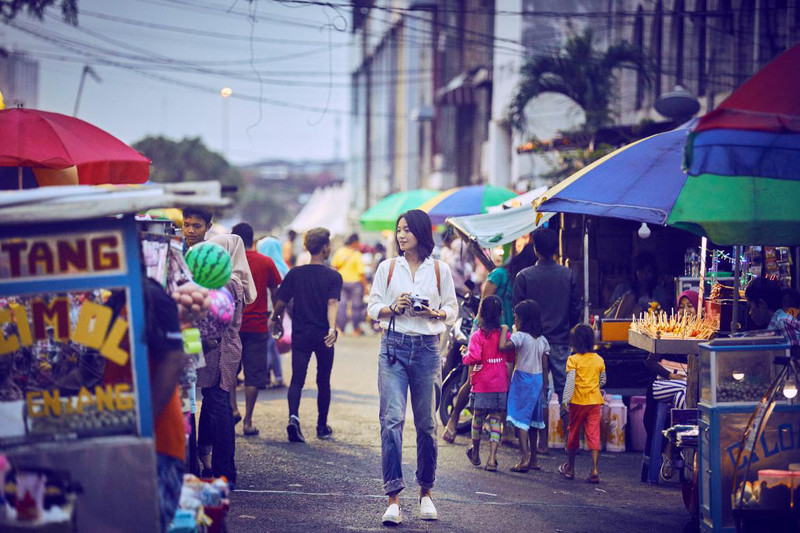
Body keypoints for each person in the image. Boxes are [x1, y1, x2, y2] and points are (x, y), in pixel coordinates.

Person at [367, 209, 457, 526]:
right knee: (391, 420)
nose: (401, 234)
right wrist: (393, 308)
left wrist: (436, 314)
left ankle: (426, 493)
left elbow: (452, 308)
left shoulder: (440, 270)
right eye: (398, 229)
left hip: (428, 350)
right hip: (393, 347)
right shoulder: (388, 268)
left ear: (421, 232)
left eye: (407, 229)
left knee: (426, 426)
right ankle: (392, 498)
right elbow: (372, 307)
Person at [441, 239, 539, 445]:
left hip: (507, 335)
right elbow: (483, 306)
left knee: (506, 382)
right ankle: (453, 420)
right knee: (472, 381)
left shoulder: (522, 280)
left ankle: (506, 431)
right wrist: (482, 336)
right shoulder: (500, 274)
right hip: (485, 332)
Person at [270, 228, 343, 443]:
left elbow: (280, 303)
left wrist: (276, 320)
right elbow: (332, 303)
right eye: (328, 244)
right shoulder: (333, 276)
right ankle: (321, 427)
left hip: (301, 334)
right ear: (324, 247)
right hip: (323, 336)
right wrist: (332, 329)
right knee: (323, 381)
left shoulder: (295, 274)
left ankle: (294, 419)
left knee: (297, 380)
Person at [196, 234, 256, 488]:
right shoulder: (233, 281)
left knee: (218, 408)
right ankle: (205, 460)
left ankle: (225, 471)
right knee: (211, 405)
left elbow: (215, 321)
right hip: (225, 350)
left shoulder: (227, 283)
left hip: (218, 352)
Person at [512, 227, 581, 438]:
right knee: (565, 391)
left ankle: (540, 443)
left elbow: (518, 312)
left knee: (536, 392)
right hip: (560, 341)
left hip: (532, 343)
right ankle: (571, 438)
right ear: (556, 248)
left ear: (535, 249)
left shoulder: (524, 276)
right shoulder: (569, 275)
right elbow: (575, 310)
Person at [142, 278, 188, 532]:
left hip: (158, 444)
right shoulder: (116, 299)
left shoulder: (152, 297)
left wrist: (143, 424)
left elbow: (174, 360)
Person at [231, 223, 282, 436]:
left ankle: (233, 410)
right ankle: (248, 422)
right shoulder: (266, 261)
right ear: (253, 240)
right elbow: (276, 291)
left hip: (231, 326)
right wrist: (276, 317)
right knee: (254, 376)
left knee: (230, 372)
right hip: (258, 326)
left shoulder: (228, 263)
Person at [461, 295, 513, 472]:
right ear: (500, 314)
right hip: (500, 383)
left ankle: (475, 453)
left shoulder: (478, 336)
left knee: (478, 419)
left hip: (482, 384)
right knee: (496, 420)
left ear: (481, 313)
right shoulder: (505, 335)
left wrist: (465, 356)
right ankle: (492, 458)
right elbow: (511, 355)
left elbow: (474, 357)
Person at [499, 299, 549, 473]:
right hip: (537, 381)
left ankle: (524, 458)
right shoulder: (542, 340)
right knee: (533, 421)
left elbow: (503, 347)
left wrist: (505, 329)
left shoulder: (520, 337)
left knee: (520, 419)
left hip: (522, 380)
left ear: (523, 319)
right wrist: (545, 386)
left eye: (516, 317)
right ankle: (533, 458)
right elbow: (545, 366)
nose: (515, 320)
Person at [559, 324, 606, 483]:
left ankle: (570, 468)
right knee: (593, 433)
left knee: (573, 433)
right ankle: (594, 469)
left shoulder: (573, 360)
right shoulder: (599, 359)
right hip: (594, 402)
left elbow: (570, 382)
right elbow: (603, 380)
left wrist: (566, 400)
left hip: (578, 403)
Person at [256, 235, 290, 386]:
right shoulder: (284, 269)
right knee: (272, 345)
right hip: (279, 312)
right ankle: (277, 376)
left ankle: (264, 377)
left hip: (266, 311)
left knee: (267, 345)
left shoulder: (262, 266)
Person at [606, 252, 673, 318]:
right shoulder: (622, 289)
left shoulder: (660, 292)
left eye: (648, 271)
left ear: (654, 273)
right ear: (635, 272)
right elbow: (610, 313)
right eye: (641, 271)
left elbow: (666, 314)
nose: (644, 275)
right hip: (618, 326)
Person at [745, 277, 800, 346]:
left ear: (761, 304)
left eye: (750, 307)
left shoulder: (783, 322)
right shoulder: (777, 323)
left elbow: (794, 353)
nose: (750, 312)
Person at [331, 233, 368, 335]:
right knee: (356, 306)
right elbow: (361, 273)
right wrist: (365, 287)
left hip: (342, 282)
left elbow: (334, 267)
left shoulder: (340, 252)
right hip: (355, 284)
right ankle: (355, 329)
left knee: (342, 305)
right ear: (355, 242)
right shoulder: (357, 255)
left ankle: (340, 329)